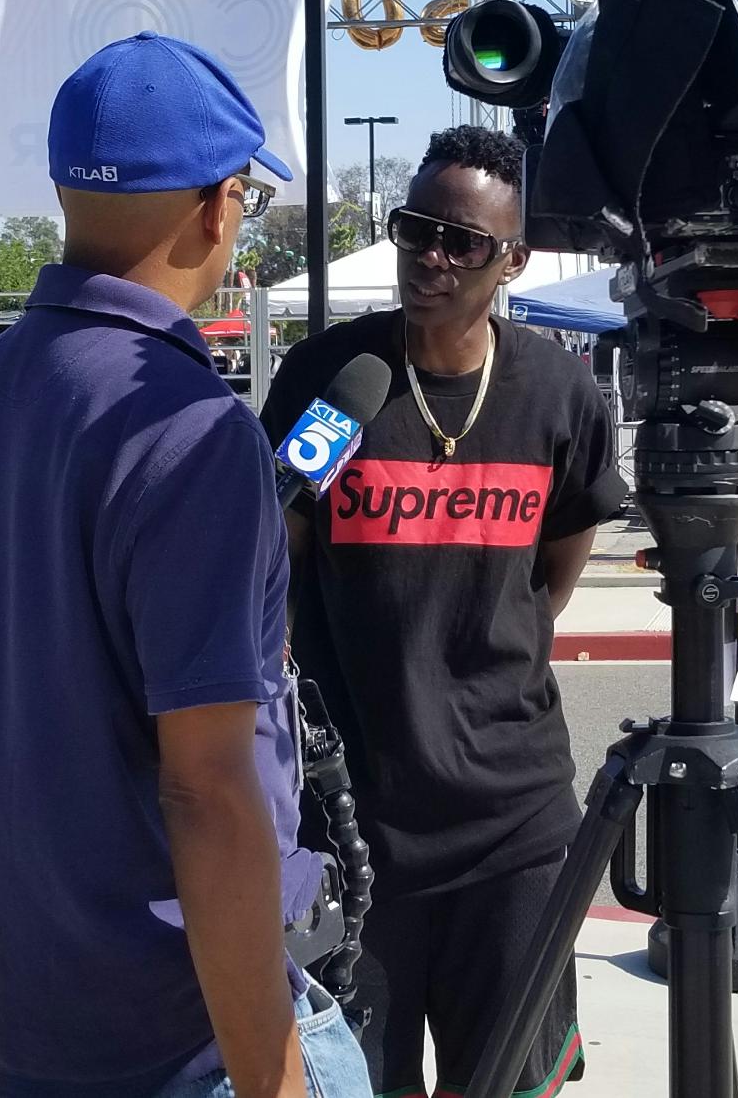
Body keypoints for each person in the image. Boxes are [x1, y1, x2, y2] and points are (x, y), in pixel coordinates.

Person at [0, 33, 368, 1098]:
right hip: (180, 1043)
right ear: (219, 206)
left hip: (21, 1019)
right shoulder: (192, 431)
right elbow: (210, 791)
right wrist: (274, 1079)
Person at [259, 126, 625, 1098]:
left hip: (514, 832)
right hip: (349, 829)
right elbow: (275, 574)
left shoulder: (561, 395)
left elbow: (551, 579)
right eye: (417, 229)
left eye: (462, 241)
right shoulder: (334, 384)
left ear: (515, 259)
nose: (432, 257)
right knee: (351, 1085)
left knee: (504, 1084)